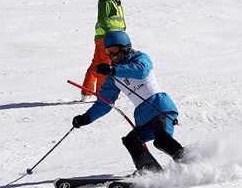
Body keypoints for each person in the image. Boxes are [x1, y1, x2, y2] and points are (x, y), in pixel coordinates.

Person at [72, 31, 185, 174]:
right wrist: (86, 118)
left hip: (159, 108)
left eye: (114, 51)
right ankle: (151, 172)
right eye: (108, 52)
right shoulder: (113, 77)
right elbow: (105, 102)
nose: (112, 56)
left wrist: (113, 70)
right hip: (144, 116)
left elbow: (141, 71)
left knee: (161, 140)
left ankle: (192, 163)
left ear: (125, 48)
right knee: (131, 141)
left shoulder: (139, 58)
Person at [81, 0, 126, 102]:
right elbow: (103, 19)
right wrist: (112, 35)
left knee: (98, 63)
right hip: (106, 37)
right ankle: (101, 93)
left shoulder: (116, 1)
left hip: (111, 38)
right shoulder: (105, 1)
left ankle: (87, 92)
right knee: (105, 64)